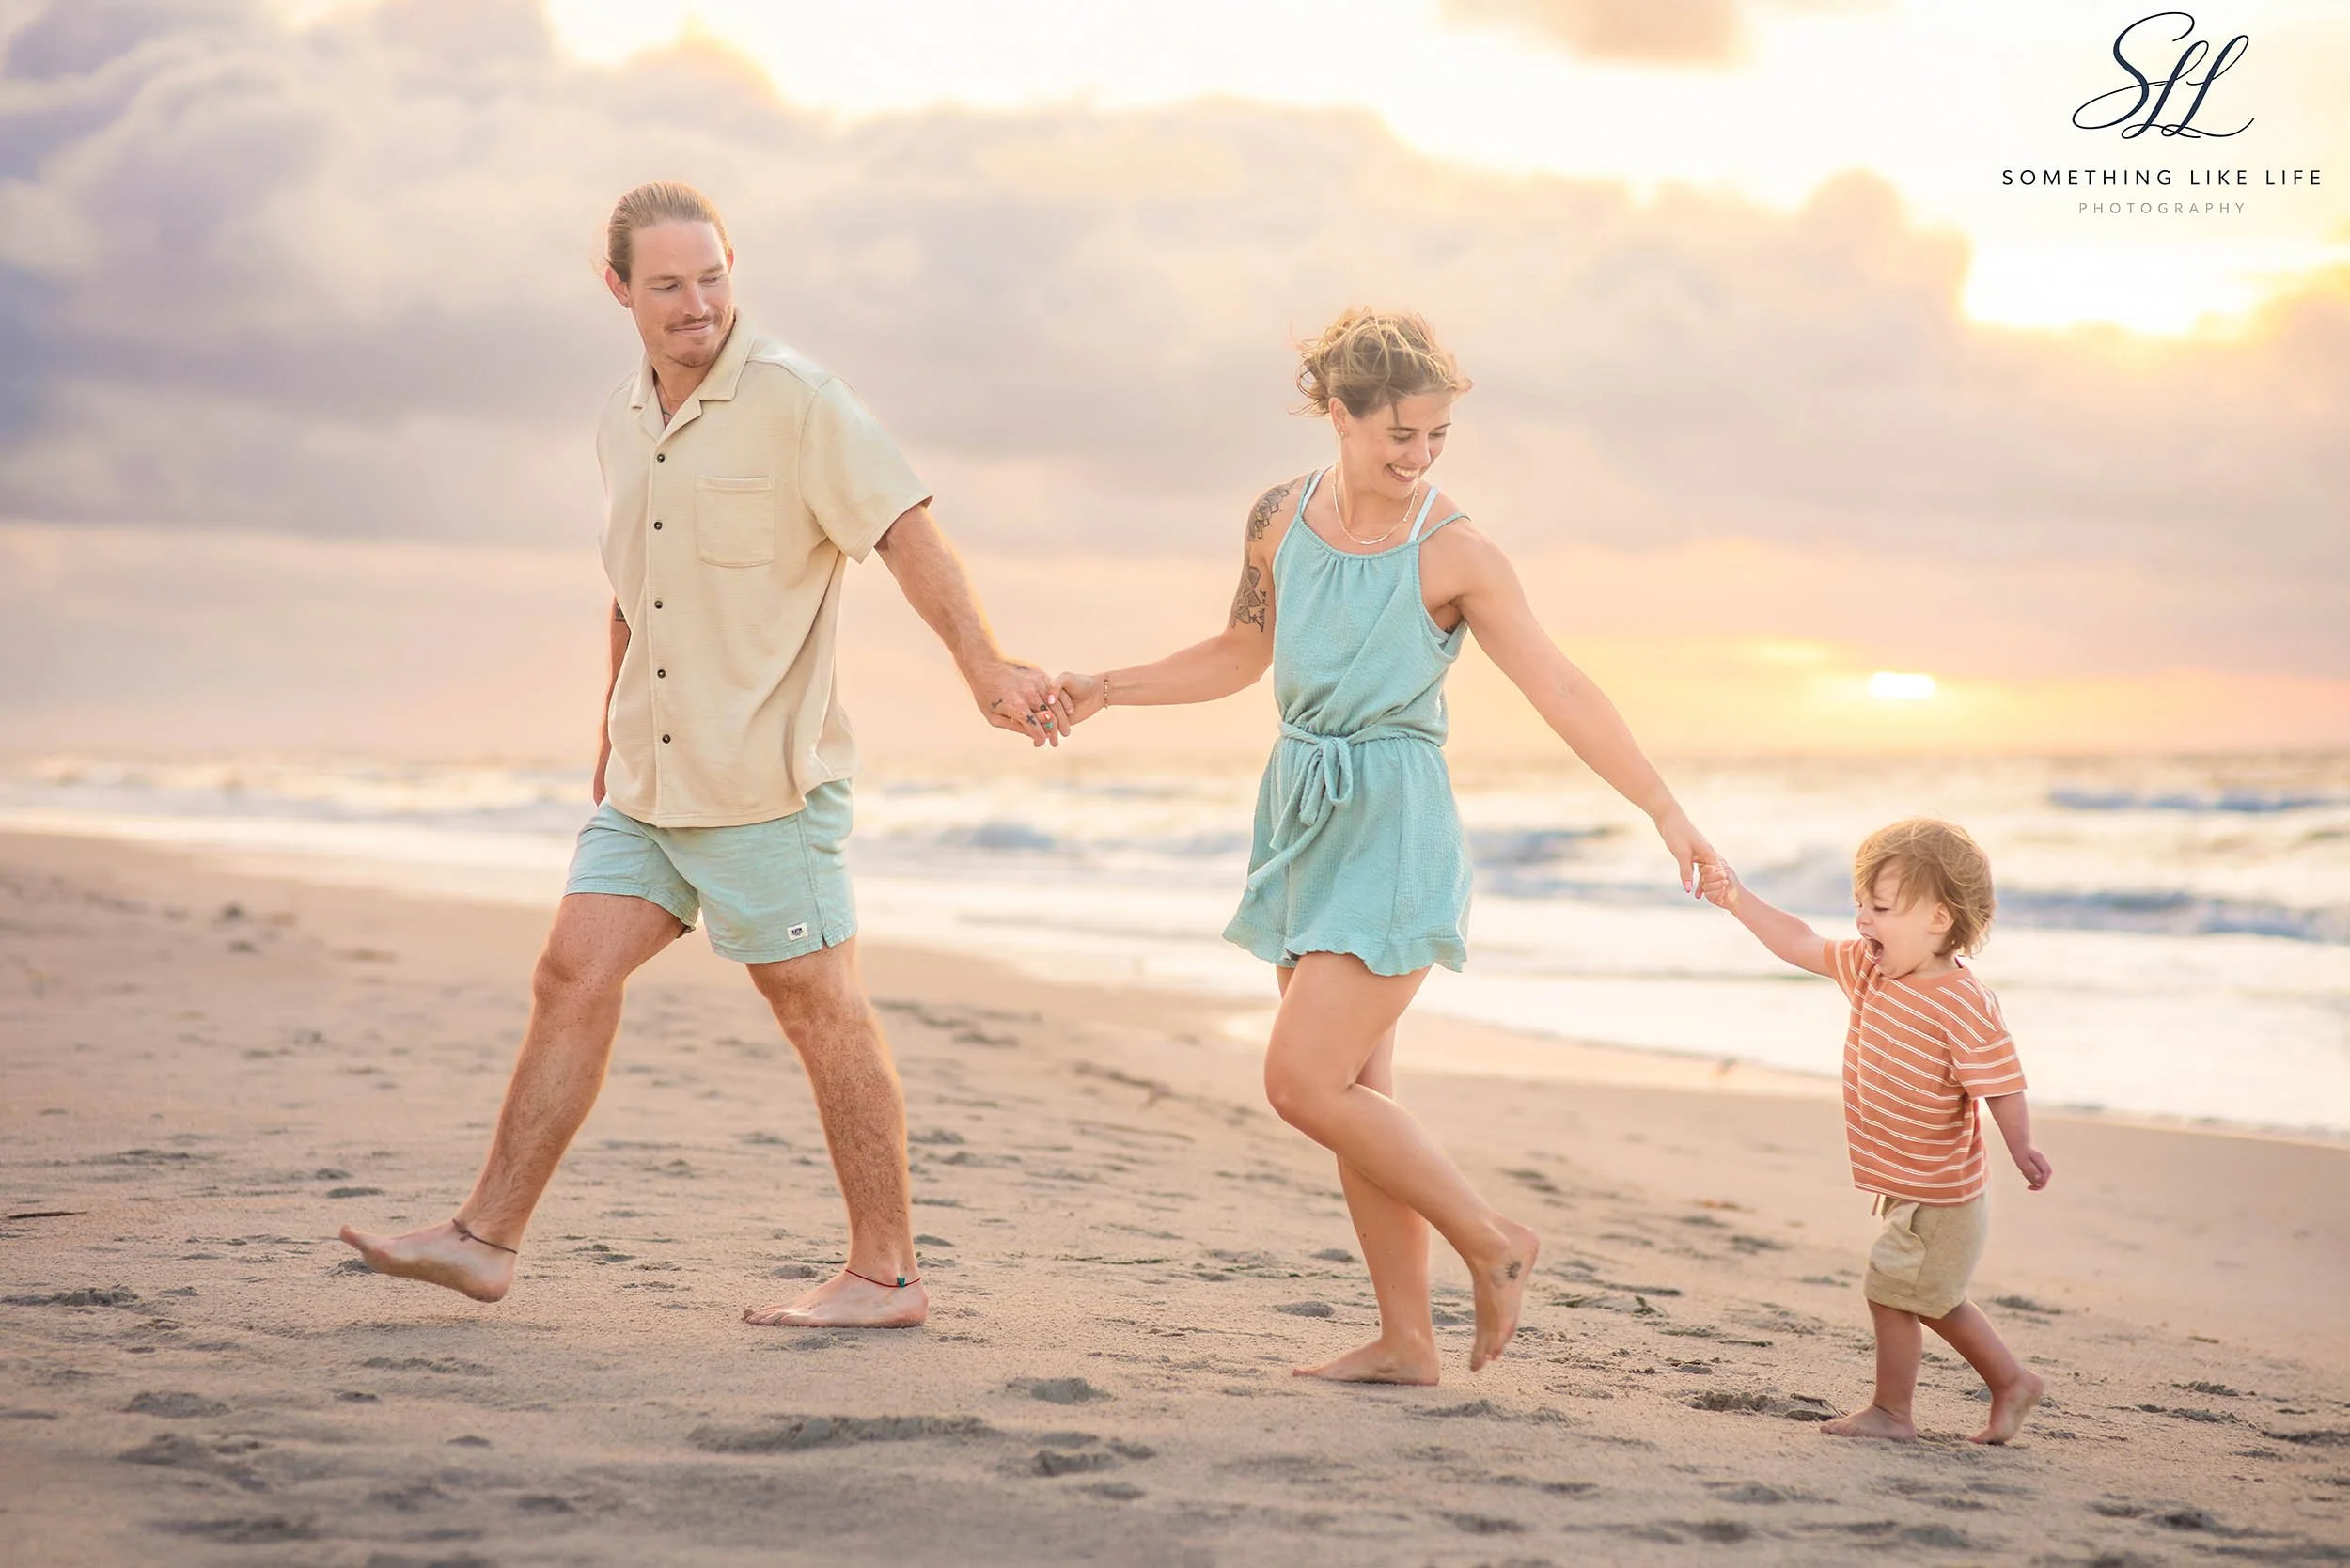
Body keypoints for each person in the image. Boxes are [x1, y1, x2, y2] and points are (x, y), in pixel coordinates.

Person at [340, 181, 1070, 1328]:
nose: (699, 304)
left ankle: (884, 1277)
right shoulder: (619, 422)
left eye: (715, 275)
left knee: (819, 1008)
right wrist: (606, 723)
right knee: (569, 975)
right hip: (648, 777)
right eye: (671, 284)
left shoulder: (798, 401)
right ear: (619, 289)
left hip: (761, 783)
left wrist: (983, 667)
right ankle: (486, 1239)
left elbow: (903, 528)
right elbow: (637, 587)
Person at [1052, 308, 1720, 1381]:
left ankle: (1496, 1243)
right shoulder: (1279, 514)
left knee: (1301, 1082)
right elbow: (1242, 651)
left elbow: (1559, 686)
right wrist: (1104, 691)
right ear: (1338, 414)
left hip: (1395, 822)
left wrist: (1663, 809)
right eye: (1398, 436)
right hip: (1302, 812)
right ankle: (1407, 1341)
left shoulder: (1456, 551)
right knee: (1358, 1097)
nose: (1417, 459)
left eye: (1437, 438)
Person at [1699, 818, 2051, 1443]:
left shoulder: (1961, 1001)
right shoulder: (1868, 969)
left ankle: (1894, 1412)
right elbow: (1800, 941)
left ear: (1939, 919)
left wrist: (2021, 1145)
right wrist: (1736, 898)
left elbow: (2000, 1080)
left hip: (1944, 1196)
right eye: (1859, 903)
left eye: (1881, 907)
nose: (1862, 920)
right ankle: (2010, 1381)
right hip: (1911, 1185)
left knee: (1893, 1293)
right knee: (1931, 1298)